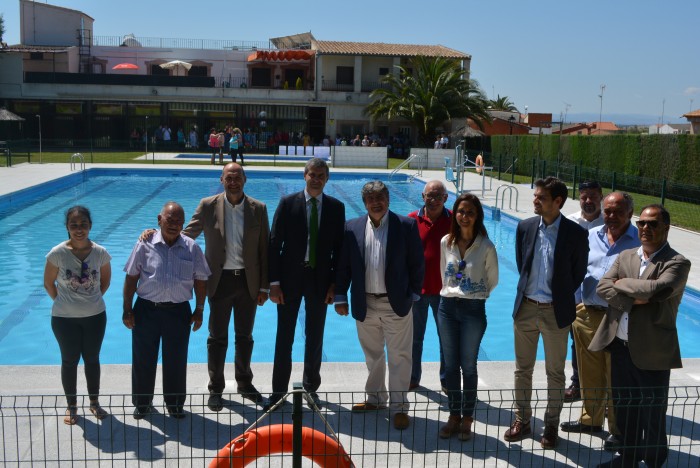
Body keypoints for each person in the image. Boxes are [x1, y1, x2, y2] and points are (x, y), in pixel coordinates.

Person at [590, 204, 691, 467]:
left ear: (666, 228)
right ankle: (629, 458)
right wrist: (635, 296)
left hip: (653, 351)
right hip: (621, 348)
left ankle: (655, 461)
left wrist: (622, 285)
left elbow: (658, 290)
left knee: (653, 414)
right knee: (625, 410)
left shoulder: (677, 262)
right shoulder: (626, 256)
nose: (645, 228)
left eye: (653, 224)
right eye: (642, 223)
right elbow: (602, 287)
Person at [504, 177, 589, 449]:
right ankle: (522, 420)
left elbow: (577, 274)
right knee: (522, 370)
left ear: (558, 202)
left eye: (541, 197)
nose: (535, 200)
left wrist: (558, 297)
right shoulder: (525, 227)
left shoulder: (576, 234)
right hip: (526, 308)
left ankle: (551, 425)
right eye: (535, 196)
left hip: (556, 311)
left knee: (555, 373)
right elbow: (522, 264)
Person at [334, 181, 424, 430]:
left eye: (380, 197)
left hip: (396, 304)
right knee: (372, 355)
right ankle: (375, 398)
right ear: (364, 203)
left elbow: (417, 263)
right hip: (365, 303)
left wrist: (413, 294)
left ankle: (399, 407)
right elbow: (344, 266)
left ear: (388, 199)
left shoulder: (405, 226)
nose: (376, 203)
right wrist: (341, 296)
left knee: (400, 357)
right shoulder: (352, 227)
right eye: (371, 199)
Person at [182, 163, 270, 410]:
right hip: (218, 282)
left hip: (247, 281)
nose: (233, 182)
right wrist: (155, 235)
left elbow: (265, 249)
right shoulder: (208, 205)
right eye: (228, 178)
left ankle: (244, 383)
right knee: (217, 337)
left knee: (245, 336)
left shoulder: (258, 209)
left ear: (245, 179)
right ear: (221, 179)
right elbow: (187, 235)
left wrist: (263, 287)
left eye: (237, 177)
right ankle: (216, 388)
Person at [560, 192, 640, 452]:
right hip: (586, 313)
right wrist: (576, 302)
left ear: (629, 213)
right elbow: (578, 269)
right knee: (588, 371)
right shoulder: (591, 236)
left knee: (615, 374)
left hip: (618, 316)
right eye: (608, 211)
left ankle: (617, 430)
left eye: (618, 211)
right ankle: (590, 420)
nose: (612, 216)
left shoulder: (638, 242)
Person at [267, 158, 345, 409]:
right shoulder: (288, 203)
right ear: (305, 175)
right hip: (289, 279)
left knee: (315, 337)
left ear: (327, 179)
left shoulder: (336, 207)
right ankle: (278, 392)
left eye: (321, 175)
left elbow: (339, 251)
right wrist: (274, 283)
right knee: (284, 336)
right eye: (312, 174)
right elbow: (274, 245)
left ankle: (311, 389)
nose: (316, 179)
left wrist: (335, 284)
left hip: (320, 280)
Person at [123, 202, 210, 419]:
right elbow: (131, 277)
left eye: (179, 221)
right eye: (170, 220)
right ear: (159, 219)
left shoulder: (192, 247)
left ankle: (174, 403)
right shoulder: (144, 244)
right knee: (143, 359)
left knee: (176, 359)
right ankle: (142, 404)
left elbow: (201, 281)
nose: (174, 225)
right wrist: (127, 309)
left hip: (178, 311)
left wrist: (199, 309)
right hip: (146, 309)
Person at [437, 193, 498, 441]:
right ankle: (453, 415)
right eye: (461, 211)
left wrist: (474, 294)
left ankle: (468, 417)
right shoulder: (446, 242)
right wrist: (455, 292)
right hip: (447, 307)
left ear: (477, 216)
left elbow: (492, 280)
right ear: (455, 213)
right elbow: (445, 274)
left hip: (473, 310)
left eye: (470, 212)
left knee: (468, 366)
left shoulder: (486, 246)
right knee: (450, 366)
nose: (464, 216)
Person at [43, 206, 112, 425]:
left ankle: (94, 402)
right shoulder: (57, 253)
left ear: (90, 226)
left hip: (95, 317)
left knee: (92, 360)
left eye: (83, 224)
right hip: (64, 320)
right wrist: (63, 302)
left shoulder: (100, 252)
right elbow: (48, 283)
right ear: (67, 228)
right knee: (69, 360)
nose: (79, 229)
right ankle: (72, 407)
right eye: (74, 225)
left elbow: (105, 281)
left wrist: (91, 300)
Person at [407, 180, 451, 391]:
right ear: (422, 197)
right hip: (417, 292)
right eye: (429, 196)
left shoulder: (455, 220)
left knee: (446, 339)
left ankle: (446, 379)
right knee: (415, 339)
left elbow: (465, 255)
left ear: (446, 198)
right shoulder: (410, 221)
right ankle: (413, 377)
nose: (433, 200)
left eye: (438, 196)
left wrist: (457, 278)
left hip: (445, 292)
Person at [565, 179, 605, 402]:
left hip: (600, 296)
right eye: (584, 197)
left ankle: (603, 388)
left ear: (600, 196)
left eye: (593, 196)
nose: (588, 201)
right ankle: (577, 384)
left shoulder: (608, 222)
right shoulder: (569, 222)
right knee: (576, 342)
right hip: (573, 295)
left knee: (606, 345)